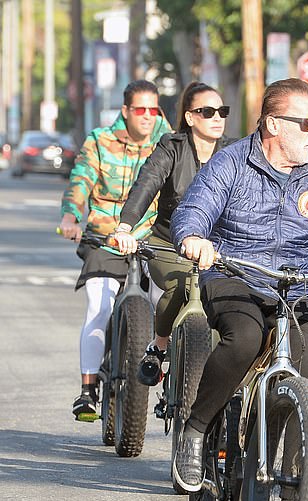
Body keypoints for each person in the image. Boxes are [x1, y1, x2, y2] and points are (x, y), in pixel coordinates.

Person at [169, 77, 308, 492]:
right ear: (273, 125)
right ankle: (196, 428)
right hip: (235, 276)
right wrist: (194, 238)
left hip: (296, 286)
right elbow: (196, 208)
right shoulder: (232, 163)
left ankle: (295, 493)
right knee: (244, 340)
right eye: (305, 124)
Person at [59, 79, 172, 421]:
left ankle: (173, 387)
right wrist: (71, 216)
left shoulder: (169, 142)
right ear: (126, 111)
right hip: (105, 237)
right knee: (100, 303)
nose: (148, 116)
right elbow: (80, 180)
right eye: (141, 109)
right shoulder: (99, 141)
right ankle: (88, 390)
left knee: (166, 303)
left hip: (151, 236)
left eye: (154, 110)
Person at [114, 82, 234, 386]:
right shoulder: (172, 147)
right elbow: (147, 184)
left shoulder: (235, 152)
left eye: (222, 111)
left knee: (232, 303)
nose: (217, 117)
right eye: (207, 112)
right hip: (169, 244)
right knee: (183, 284)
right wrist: (125, 226)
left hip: (219, 251)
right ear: (190, 117)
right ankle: (159, 345)